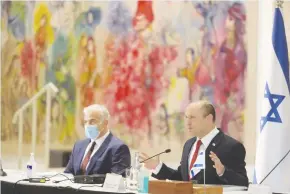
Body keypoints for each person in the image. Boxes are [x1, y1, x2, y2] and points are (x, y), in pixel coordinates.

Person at [140, 100, 248, 186]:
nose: (187, 122)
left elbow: (243, 183)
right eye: (186, 117)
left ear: (209, 119)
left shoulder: (231, 146)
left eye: (192, 117)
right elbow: (182, 178)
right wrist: (157, 166)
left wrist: (223, 171)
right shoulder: (189, 144)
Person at [64, 104, 131, 176]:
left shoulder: (118, 148)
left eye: (92, 121)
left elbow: (116, 181)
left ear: (105, 123)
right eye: (86, 122)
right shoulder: (79, 145)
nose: (88, 125)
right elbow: (68, 174)